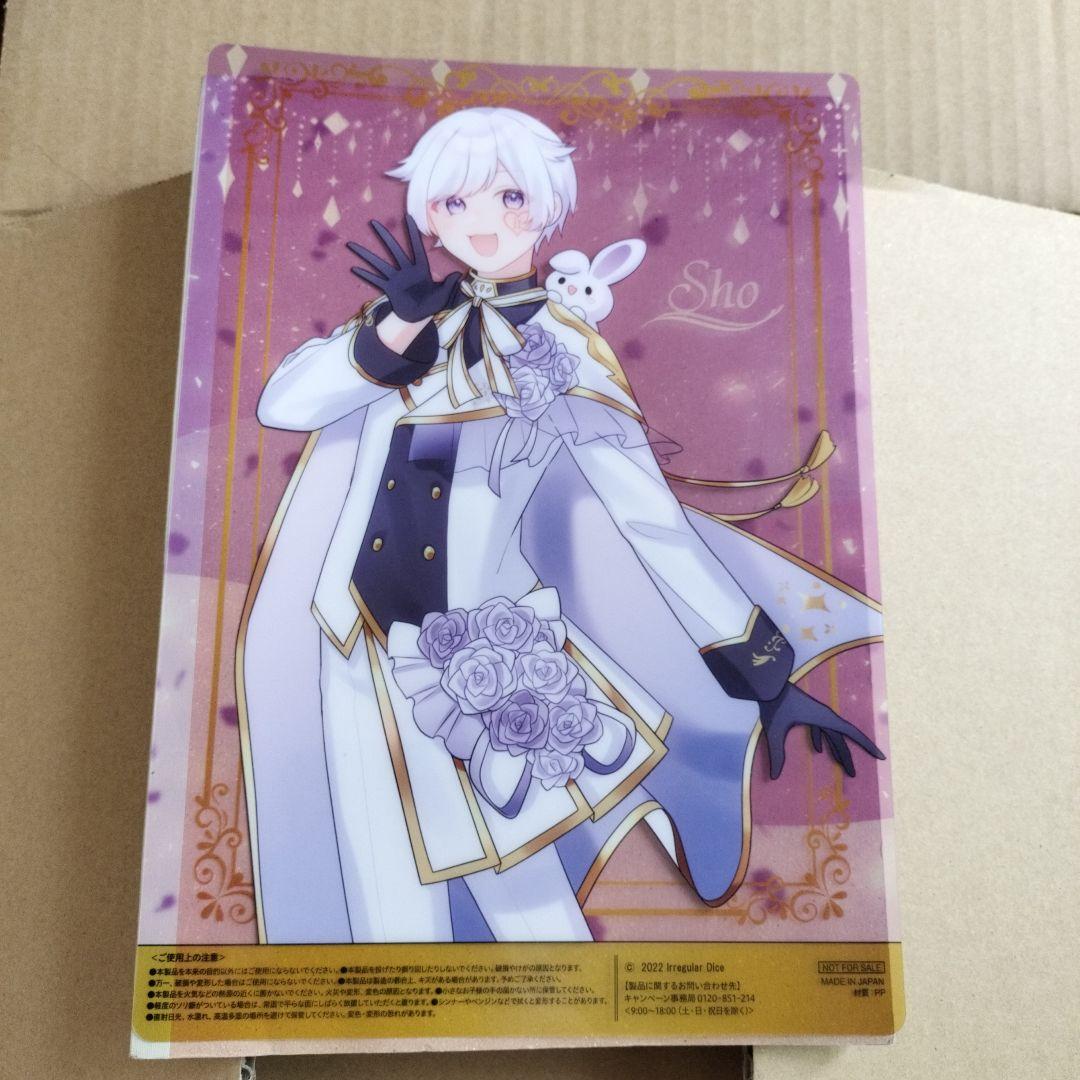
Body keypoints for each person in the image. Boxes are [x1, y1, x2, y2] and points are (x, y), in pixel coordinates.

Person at [238, 106, 884, 945]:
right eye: (455, 202)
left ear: (545, 208)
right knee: (380, 884)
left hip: (483, 655)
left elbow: (652, 523)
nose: (482, 222)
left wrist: (766, 675)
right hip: (353, 640)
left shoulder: (566, 352)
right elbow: (284, 404)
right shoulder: (412, 320)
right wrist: (394, 328)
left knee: (523, 889)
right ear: (430, 211)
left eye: (509, 197)